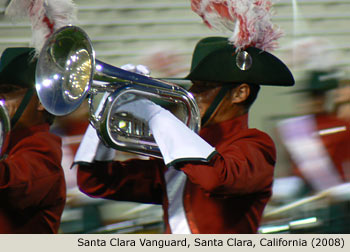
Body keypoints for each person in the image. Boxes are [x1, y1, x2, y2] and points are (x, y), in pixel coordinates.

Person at [74, 33, 294, 233]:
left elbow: (217, 179)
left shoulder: (256, 145)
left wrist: (154, 116)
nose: (191, 94)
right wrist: (105, 109)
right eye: (194, 85)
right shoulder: (182, 153)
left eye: (205, 86)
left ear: (240, 93)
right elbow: (95, 182)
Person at [0, 47, 66, 233]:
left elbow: (10, 186)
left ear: (41, 101)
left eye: (8, 90)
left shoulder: (44, 149)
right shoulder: (7, 142)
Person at [277, 70, 350, 193]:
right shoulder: (291, 128)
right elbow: (288, 166)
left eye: (320, 95)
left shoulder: (343, 127)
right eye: (312, 96)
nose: (316, 100)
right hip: (304, 194)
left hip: (336, 194)